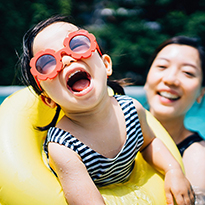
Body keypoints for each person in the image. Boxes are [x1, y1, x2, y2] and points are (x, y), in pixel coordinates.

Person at [20, 16, 194, 205]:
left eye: (76, 44)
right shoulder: (63, 146)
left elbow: (149, 143)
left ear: (106, 64)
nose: (68, 59)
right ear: (48, 100)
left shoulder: (131, 110)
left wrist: (172, 170)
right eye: (47, 62)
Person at [144, 36, 205, 202]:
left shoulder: (197, 156)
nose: (170, 79)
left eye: (188, 72)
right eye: (162, 66)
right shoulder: (112, 129)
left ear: (201, 92)